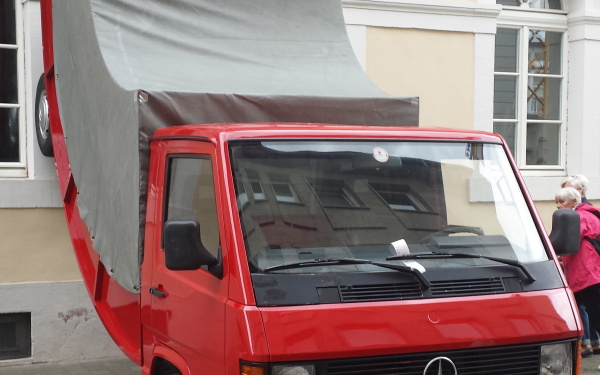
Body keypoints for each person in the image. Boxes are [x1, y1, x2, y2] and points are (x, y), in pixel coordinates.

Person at [556, 187, 600, 358]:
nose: (558, 206)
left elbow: (564, 239)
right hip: (589, 274)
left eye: (562, 202)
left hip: (588, 275)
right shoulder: (585, 214)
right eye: (557, 202)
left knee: (594, 316)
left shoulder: (579, 217)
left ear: (574, 201)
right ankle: (585, 346)